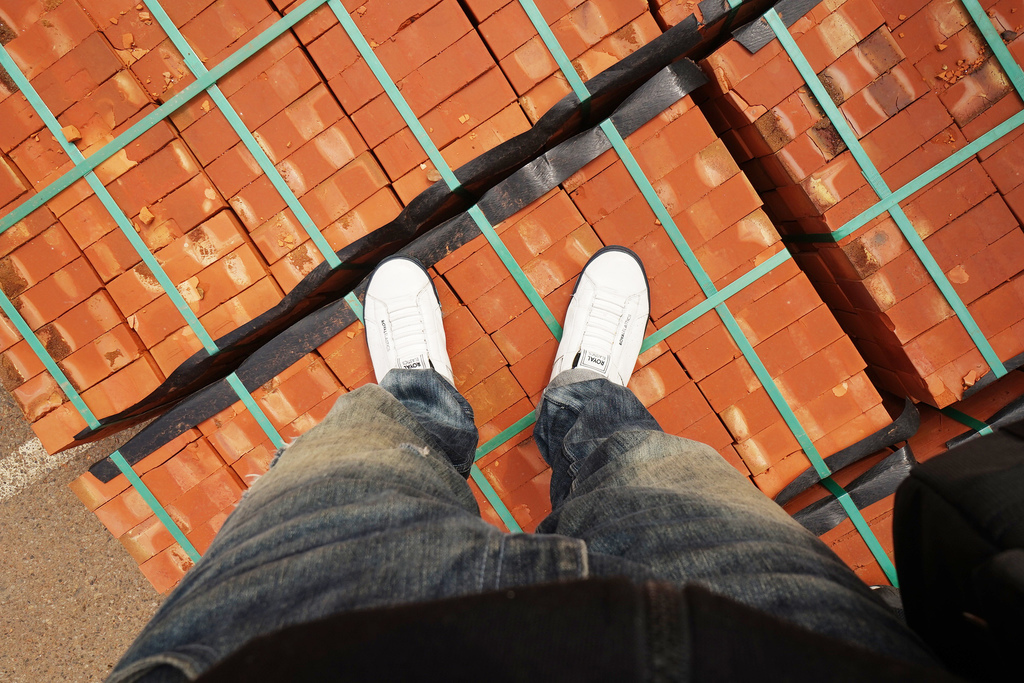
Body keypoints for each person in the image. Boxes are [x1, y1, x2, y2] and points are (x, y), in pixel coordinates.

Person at [108, 247, 947, 682]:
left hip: (279, 655)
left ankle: (417, 396)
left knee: (356, 458)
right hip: (782, 655)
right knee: (650, 473)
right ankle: (585, 397)